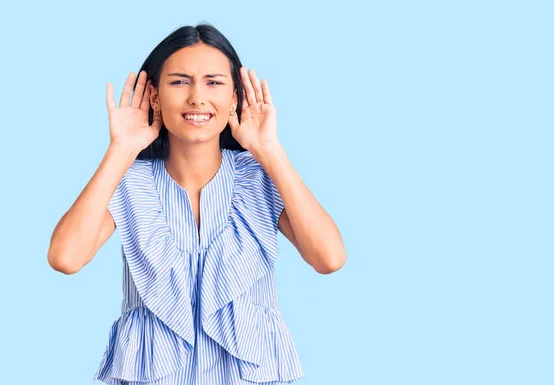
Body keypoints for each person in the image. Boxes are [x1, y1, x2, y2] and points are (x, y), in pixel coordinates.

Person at [47, 23, 347, 384]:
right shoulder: (129, 180)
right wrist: (121, 150)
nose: (197, 98)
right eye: (179, 81)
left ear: (236, 97)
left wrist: (269, 150)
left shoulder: (261, 175)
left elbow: (329, 258)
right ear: (154, 97)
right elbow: (65, 258)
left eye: (214, 82)